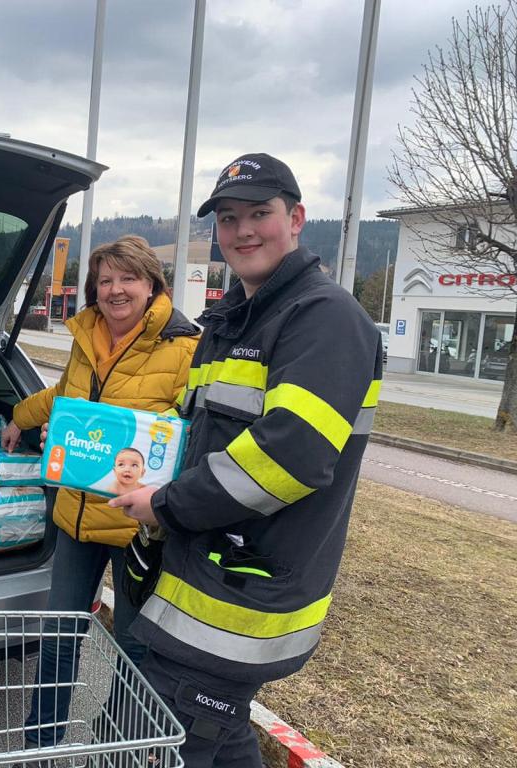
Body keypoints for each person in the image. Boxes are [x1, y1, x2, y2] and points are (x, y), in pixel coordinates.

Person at [110, 154, 383, 767]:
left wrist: (163, 503)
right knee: (214, 735)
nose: (243, 231)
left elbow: (290, 457)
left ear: (297, 219)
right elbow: (190, 433)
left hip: (240, 594)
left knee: (163, 738)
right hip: (196, 576)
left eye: (260, 213)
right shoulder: (231, 320)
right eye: (229, 218)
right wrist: (118, 457)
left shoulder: (325, 318)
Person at [0, 235, 199, 753]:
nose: (115, 290)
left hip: (140, 526)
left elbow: (192, 431)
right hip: (77, 517)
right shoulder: (86, 334)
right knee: (59, 638)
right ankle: (39, 750)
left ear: (152, 285)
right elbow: (65, 395)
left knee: (133, 649)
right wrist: (21, 418)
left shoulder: (185, 348)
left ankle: (117, 749)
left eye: (128, 278)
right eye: (105, 280)